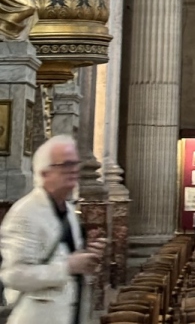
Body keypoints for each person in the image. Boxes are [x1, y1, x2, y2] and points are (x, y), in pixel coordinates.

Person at [0, 135, 103, 324]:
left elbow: (65, 257)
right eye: (66, 164)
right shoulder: (25, 213)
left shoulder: (69, 211)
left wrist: (87, 257)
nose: (74, 170)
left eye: (75, 164)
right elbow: (13, 275)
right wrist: (68, 266)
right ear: (45, 172)